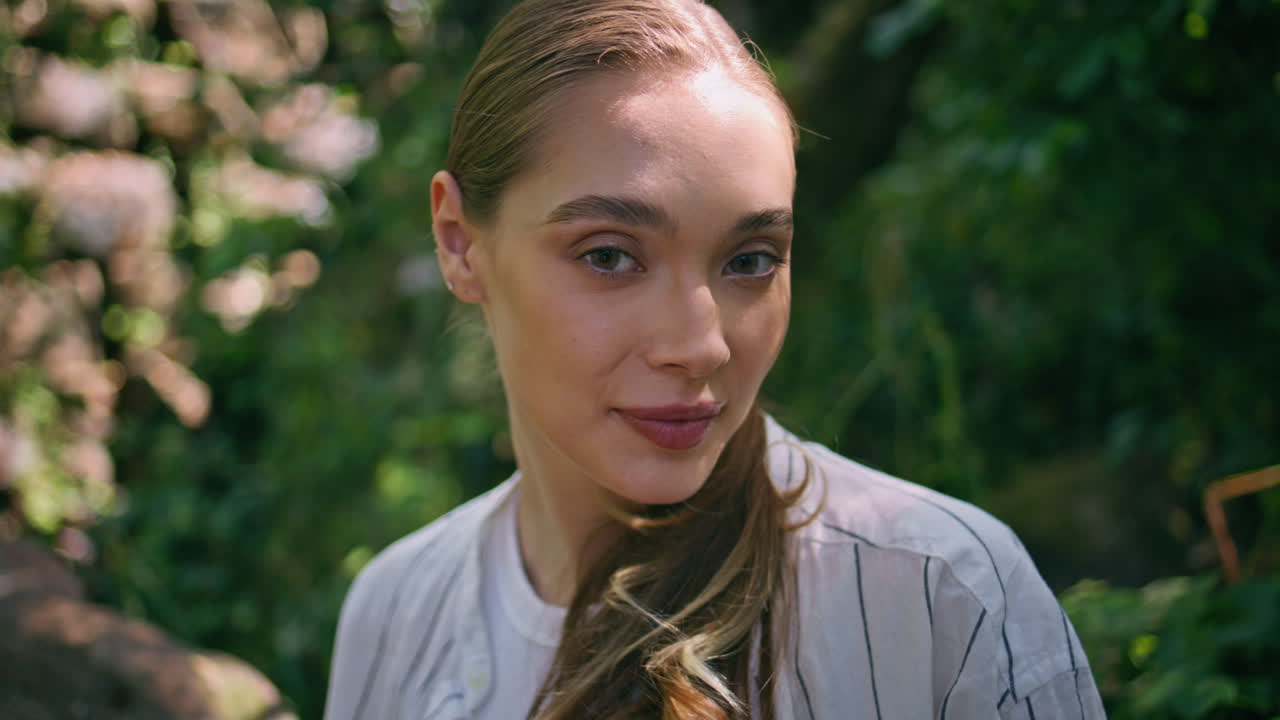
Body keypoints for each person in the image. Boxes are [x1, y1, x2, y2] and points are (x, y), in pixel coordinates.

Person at [323, 0, 1106, 717]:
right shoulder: (393, 610)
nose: (701, 345)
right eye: (607, 256)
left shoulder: (942, 595)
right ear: (460, 244)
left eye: (750, 260)